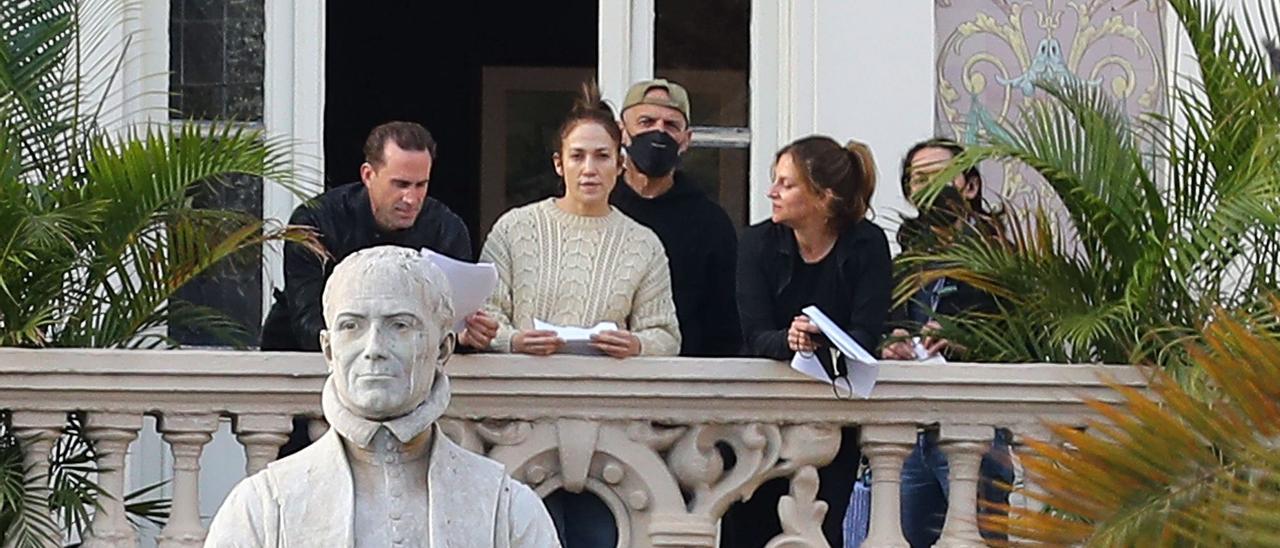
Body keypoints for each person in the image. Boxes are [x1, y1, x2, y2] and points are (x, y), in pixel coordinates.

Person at [207, 246, 560, 547]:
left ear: (442, 349)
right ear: (329, 350)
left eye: (400, 325)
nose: (374, 348)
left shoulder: (506, 508)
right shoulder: (263, 506)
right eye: (351, 326)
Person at [730, 135, 891, 547]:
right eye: (775, 181)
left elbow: (867, 332)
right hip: (761, 422)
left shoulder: (867, 244)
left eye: (786, 184)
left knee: (824, 528)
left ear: (823, 196)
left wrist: (823, 338)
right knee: (749, 530)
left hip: (833, 418)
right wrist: (791, 339)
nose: (772, 192)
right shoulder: (756, 243)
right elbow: (754, 334)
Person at [260, 121, 498, 353]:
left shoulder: (446, 228)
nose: (411, 199)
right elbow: (307, 323)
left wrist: (465, 337)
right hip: (299, 365)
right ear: (368, 174)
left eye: (421, 185)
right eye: (401, 184)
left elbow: (451, 322)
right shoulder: (316, 221)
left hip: (412, 370)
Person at [481, 84, 680, 359]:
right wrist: (514, 341)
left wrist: (637, 345)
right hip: (523, 390)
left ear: (619, 165)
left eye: (601, 156)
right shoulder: (514, 229)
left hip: (606, 393)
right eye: (577, 156)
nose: (589, 169)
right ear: (559, 164)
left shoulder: (643, 244)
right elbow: (483, 316)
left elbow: (665, 335)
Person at [881, 137, 1012, 548]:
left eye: (941, 176)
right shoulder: (905, 259)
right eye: (919, 179)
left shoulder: (999, 257)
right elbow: (884, 321)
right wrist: (893, 338)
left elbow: (1019, 337)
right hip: (912, 433)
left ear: (969, 186)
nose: (930, 187)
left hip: (974, 428)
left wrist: (962, 340)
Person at [610, 78, 741, 357]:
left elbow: (724, 324)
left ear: (686, 140)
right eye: (646, 122)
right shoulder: (598, 206)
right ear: (622, 132)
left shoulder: (710, 223)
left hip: (680, 380)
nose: (659, 133)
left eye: (671, 126)